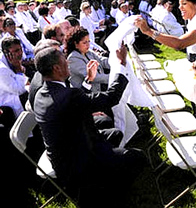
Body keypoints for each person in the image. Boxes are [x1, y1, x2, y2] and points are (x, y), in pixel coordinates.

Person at [33, 45, 148, 208]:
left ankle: (103, 180)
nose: (68, 62)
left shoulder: (42, 93)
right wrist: (121, 64)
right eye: (64, 60)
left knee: (114, 132)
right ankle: (108, 195)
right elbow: (111, 97)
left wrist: (89, 80)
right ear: (57, 68)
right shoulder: (67, 96)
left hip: (67, 151)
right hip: (77, 163)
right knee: (138, 157)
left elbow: (74, 104)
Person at [135, 0, 196, 150]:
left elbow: (179, 43)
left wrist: (149, 32)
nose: (179, 7)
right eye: (179, 4)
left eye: (184, 3)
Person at [0, 36, 29, 118]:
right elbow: (19, 90)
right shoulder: (2, 69)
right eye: (16, 51)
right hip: (9, 103)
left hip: (17, 94)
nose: (20, 53)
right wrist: (18, 69)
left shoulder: (13, 60)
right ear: (7, 53)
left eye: (20, 49)